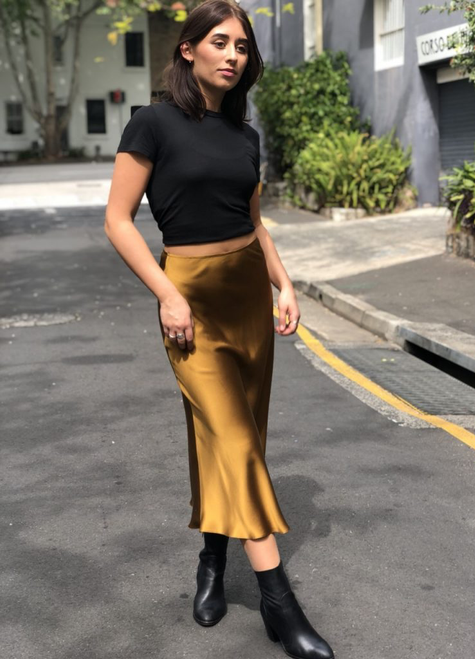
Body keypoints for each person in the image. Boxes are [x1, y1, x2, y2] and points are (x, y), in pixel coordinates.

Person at [104, 1, 334, 657]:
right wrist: (167, 295)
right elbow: (118, 219)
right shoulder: (151, 123)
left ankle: (212, 558)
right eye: (220, 42)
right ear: (188, 49)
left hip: (247, 297)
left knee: (236, 439)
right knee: (235, 440)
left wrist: (284, 283)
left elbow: (253, 224)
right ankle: (278, 601)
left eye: (242, 46)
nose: (233, 55)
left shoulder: (244, 135)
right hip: (191, 299)